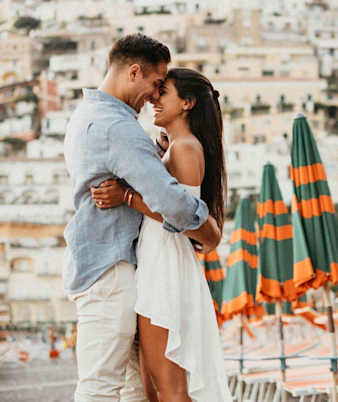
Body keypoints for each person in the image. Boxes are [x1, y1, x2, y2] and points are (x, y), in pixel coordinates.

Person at [63, 34, 223, 402]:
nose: (153, 96)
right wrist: (209, 230)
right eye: (155, 84)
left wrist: (136, 188)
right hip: (112, 270)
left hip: (122, 265)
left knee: (130, 389)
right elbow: (173, 203)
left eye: (162, 90)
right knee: (107, 387)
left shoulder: (87, 115)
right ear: (133, 72)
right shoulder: (116, 127)